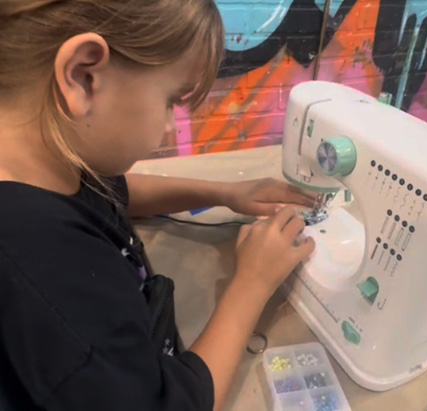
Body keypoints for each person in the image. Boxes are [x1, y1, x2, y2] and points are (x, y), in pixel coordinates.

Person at [0, 1, 316, 410]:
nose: (170, 126)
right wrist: (252, 283)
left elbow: (109, 192)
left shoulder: (43, 160)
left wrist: (224, 193)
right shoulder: (48, 272)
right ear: (82, 75)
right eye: (171, 100)